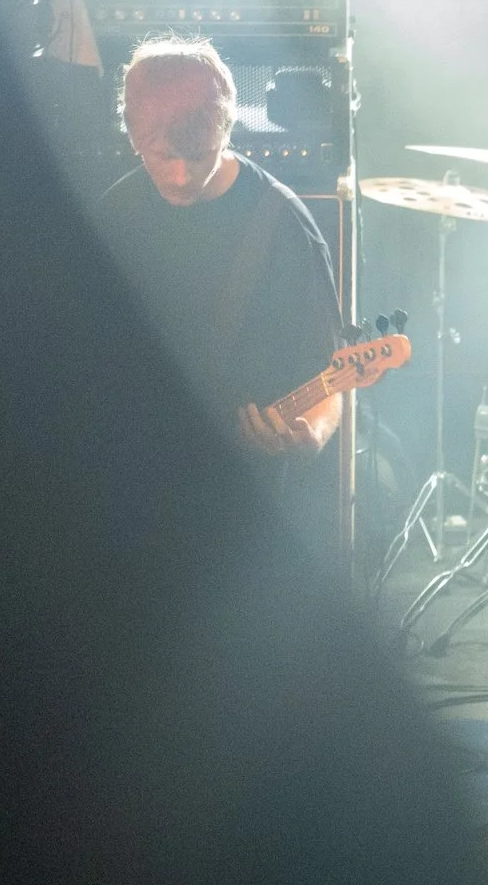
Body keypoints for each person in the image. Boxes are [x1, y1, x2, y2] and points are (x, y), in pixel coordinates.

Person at [96, 37, 345, 529]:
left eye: (199, 153)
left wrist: (310, 435)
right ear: (133, 135)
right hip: (125, 492)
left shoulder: (281, 226)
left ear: (227, 130)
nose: (183, 174)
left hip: (239, 502)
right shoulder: (114, 216)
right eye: (164, 155)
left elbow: (330, 376)